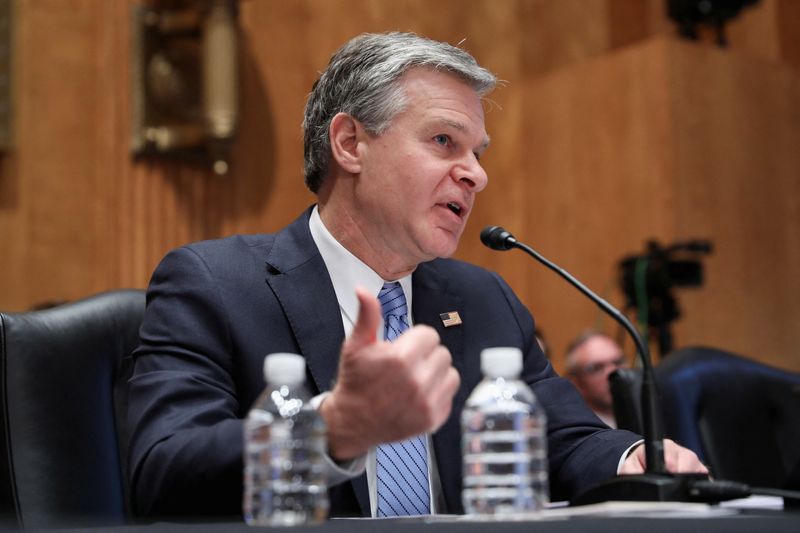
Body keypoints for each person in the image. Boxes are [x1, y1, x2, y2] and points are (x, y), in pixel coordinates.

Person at [127, 32, 706, 520]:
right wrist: (332, 429)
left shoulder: (482, 298)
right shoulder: (215, 284)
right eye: (444, 141)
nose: (475, 175)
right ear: (351, 143)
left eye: (479, 153)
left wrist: (629, 459)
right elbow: (163, 471)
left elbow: (565, 438)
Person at [565, 330, 626, 428]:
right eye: (596, 368)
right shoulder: (575, 430)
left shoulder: (651, 417)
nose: (612, 372)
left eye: (618, 362)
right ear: (576, 383)